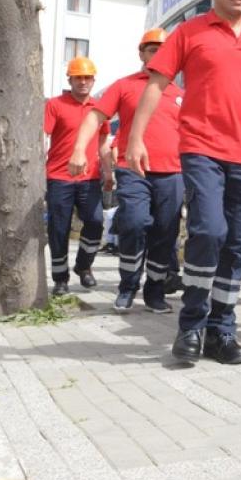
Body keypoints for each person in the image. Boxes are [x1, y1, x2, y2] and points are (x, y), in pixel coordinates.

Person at [125, 0, 241, 365]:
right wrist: (135, 139)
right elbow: (156, 85)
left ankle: (221, 331)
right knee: (209, 231)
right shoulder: (189, 33)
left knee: (236, 244)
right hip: (202, 149)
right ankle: (192, 325)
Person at [69, 29, 183, 314]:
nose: (158, 54)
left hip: (173, 173)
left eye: (164, 50)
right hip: (134, 170)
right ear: (141, 53)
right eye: (152, 49)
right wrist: (80, 149)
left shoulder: (180, 94)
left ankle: (155, 291)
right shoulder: (124, 86)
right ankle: (128, 287)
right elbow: (94, 117)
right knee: (133, 223)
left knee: (165, 233)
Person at [44, 56, 108, 296]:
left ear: (93, 81)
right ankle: (60, 279)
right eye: (78, 77)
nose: (83, 82)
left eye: (87, 78)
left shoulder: (100, 108)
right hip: (58, 177)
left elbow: (103, 142)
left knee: (96, 221)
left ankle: (84, 265)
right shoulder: (55, 105)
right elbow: (42, 136)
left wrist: (108, 171)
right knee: (58, 229)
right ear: (69, 79)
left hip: (89, 178)